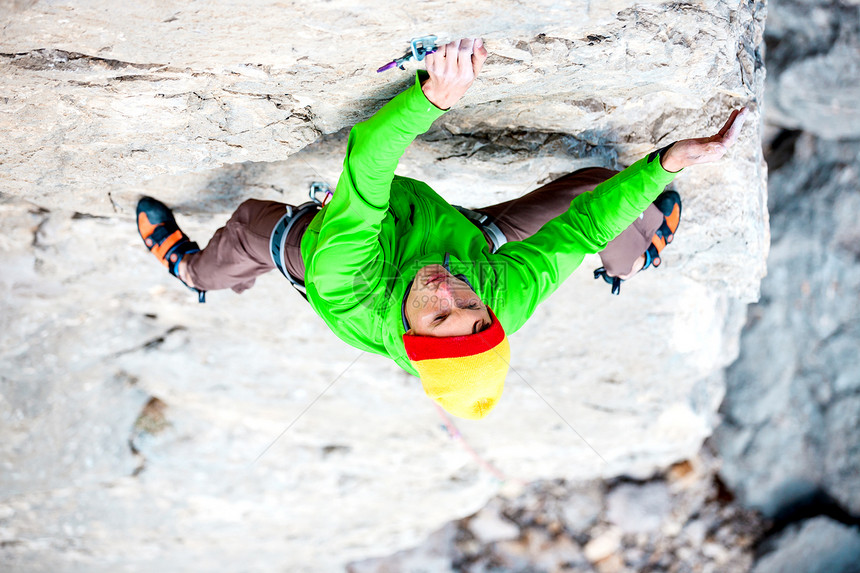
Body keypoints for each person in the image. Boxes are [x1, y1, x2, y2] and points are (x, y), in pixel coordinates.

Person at [136, 38, 748, 421]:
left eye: (438, 314)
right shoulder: (497, 300)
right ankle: (631, 261)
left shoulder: (346, 282)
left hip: (338, 245)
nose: (450, 290)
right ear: (492, 320)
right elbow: (582, 232)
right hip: (466, 237)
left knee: (249, 227)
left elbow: (369, 161)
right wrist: (670, 161)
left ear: (410, 333)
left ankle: (191, 271)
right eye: (473, 310)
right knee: (600, 192)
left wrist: (432, 100)